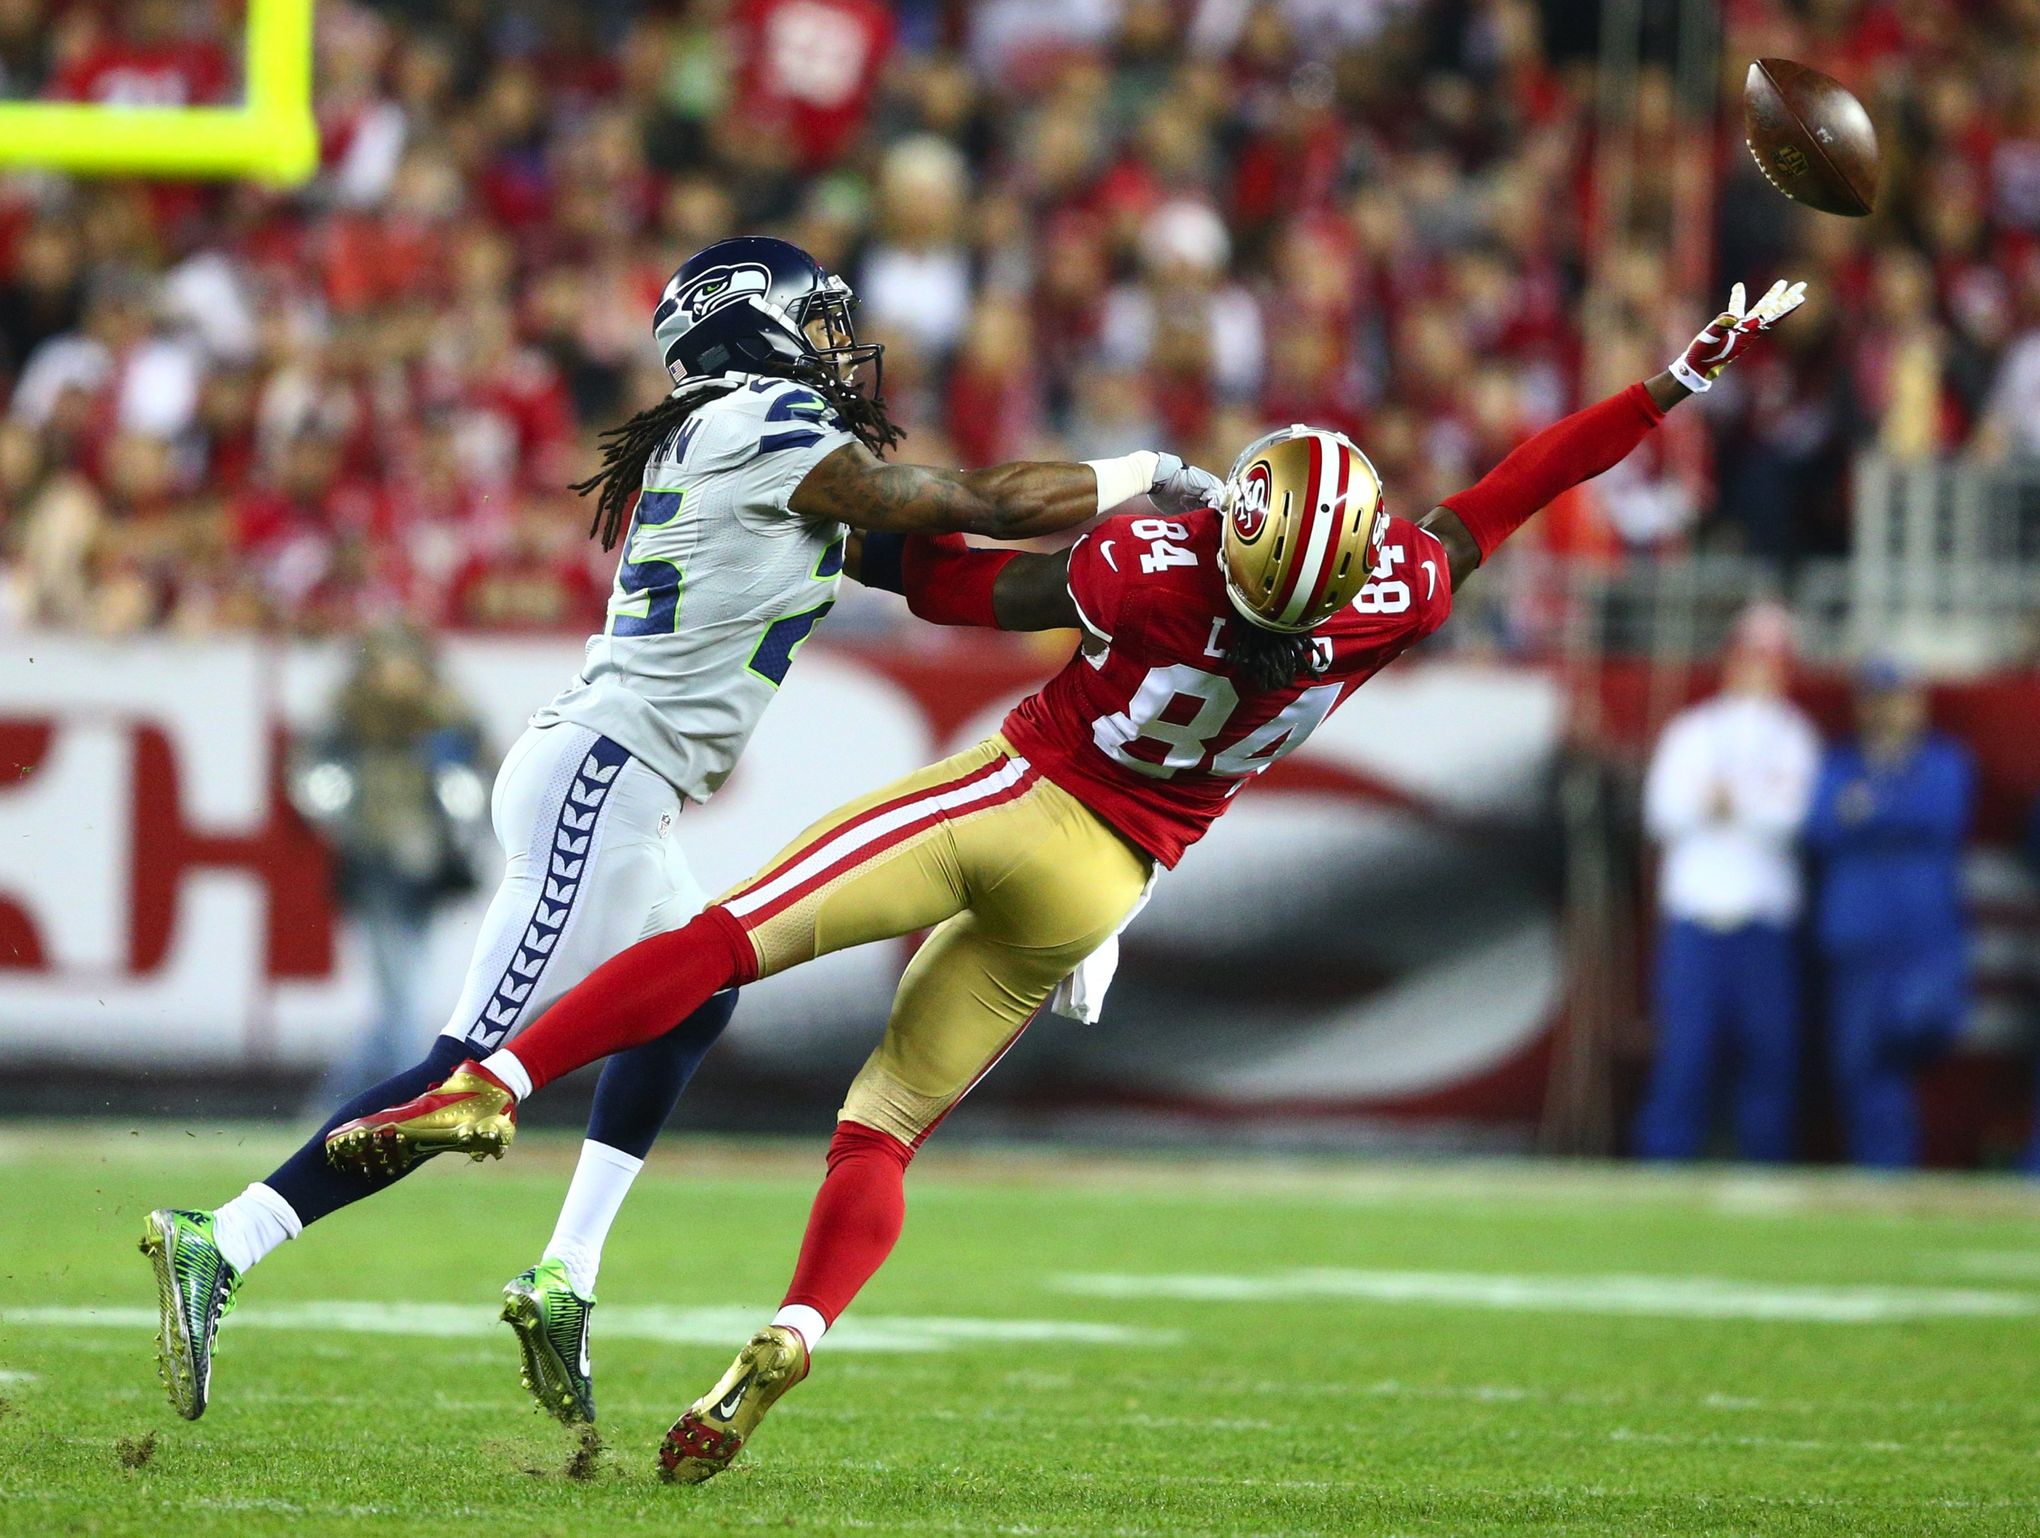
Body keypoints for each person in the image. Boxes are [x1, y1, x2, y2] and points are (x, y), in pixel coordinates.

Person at [329, 279, 1809, 1479]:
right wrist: (1678, 380)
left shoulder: (1156, 564)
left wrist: (878, 553)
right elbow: (1518, 485)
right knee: (886, 1128)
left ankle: (502, 1079)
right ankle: (793, 1324)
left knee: (723, 941)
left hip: (1012, 794)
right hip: (1114, 879)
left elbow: (975, 584)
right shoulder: (1391, 602)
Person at [139, 235, 1220, 1423]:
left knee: (694, 994)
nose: (833, 343)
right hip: (606, 771)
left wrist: (1143, 581)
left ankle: (566, 1271)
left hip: (622, 776)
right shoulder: (763, 425)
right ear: (749, 326)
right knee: (466, 1075)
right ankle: (224, 1235)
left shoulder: (751, 439)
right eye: (814, 318)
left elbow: (960, 578)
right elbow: (981, 499)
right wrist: (1144, 473)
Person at [1632, 603, 1821, 1162]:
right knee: (1685, 1054)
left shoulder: (1794, 735)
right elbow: (1663, 813)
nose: (1756, 670)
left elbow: (1793, 821)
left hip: (1763, 922)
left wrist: (1729, 803)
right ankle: (1662, 1168)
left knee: (1768, 1055)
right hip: (1697, 918)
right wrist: (1738, 805)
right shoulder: (1692, 730)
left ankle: (1763, 1171)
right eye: (1748, 658)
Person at [288, 624, 490, 1102]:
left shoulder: (449, 715)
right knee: (401, 990)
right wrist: (338, 818)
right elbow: (313, 780)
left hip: (428, 866)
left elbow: (482, 778)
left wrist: (462, 825)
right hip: (373, 860)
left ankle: (334, 1101)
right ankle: (412, 1097)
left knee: (401, 995)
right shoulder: (349, 718)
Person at [1805, 658, 1975, 1168]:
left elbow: (1939, 815)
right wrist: (1887, 810)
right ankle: (1884, 1175)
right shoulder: (1839, 765)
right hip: (1858, 938)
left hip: (1923, 938)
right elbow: (1819, 827)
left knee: (1918, 1031)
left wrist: (1867, 810)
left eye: (1900, 699)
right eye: (1879, 701)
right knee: (1860, 1063)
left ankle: (1902, 1161)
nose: (1890, 712)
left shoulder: (1945, 761)